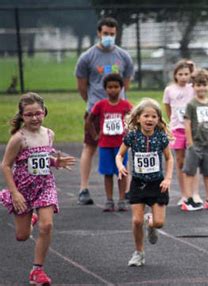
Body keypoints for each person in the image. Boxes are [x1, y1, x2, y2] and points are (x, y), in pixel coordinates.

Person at [0, 93, 75, 285]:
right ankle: (31, 218)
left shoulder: (49, 134)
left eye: (38, 113)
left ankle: (37, 271)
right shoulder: (19, 138)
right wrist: (15, 192)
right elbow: (6, 165)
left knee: (47, 225)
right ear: (22, 116)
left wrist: (56, 162)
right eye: (29, 115)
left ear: (44, 112)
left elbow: (44, 158)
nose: (34, 118)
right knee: (22, 236)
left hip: (44, 185)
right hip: (23, 188)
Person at [75, 17, 134, 205]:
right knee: (90, 146)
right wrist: (94, 105)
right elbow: (82, 86)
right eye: (105, 33)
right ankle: (84, 188)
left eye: (112, 34)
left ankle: (127, 190)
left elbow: (126, 83)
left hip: (119, 111)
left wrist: (118, 103)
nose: (109, 36)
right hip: (97, 108)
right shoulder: (87, 57)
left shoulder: (124, 56)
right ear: (99, 33)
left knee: (124, 148)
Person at [115, 98, 173, 267]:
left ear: (158, 119)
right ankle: (139, 252)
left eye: (154, 116)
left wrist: (168, 178)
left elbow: (169, 159)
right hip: (138, 183)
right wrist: (120, 166)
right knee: (136, 221)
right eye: (146, 116)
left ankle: (152, 224)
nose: (149, 119)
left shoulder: (161, 137)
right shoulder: (132, 136)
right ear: (138, 118)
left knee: (160, 223)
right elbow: (119, 155)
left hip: (157, 184)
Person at [87, 73, 133, 212]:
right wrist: (95, 135)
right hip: (105, 145)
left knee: (121, 172)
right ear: (105, 89)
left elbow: (134, 119)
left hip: (121, 146)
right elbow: (90, 120)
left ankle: (122, 199)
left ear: (121, 88)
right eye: (110, 87)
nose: (113, 90)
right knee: (107, 173)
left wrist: (130, 135)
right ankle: (109, 199)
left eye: (116, 87)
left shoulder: (126, 105)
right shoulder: (101, 105)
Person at [181, 69, 208, 211]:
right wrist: (190, 142)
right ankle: (188, 199)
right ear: (193, 86)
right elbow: (187, 123)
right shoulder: (191, 105)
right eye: (198, 85)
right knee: (190, 172)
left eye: (204, 84)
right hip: (196, 145)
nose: (201, 88)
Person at [163, 59, 201, 206]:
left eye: (186, 74)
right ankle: (184, 194)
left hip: (191, 128)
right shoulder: (169, 90)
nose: (184, 77)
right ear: (175, 75)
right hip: (177, 128)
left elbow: (203, 80)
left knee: (193, 161)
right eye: (181, 74)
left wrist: (193, 67)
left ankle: (195, 193)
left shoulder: (193, 87)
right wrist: (172, 121)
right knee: (180, 162)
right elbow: (167, 106)